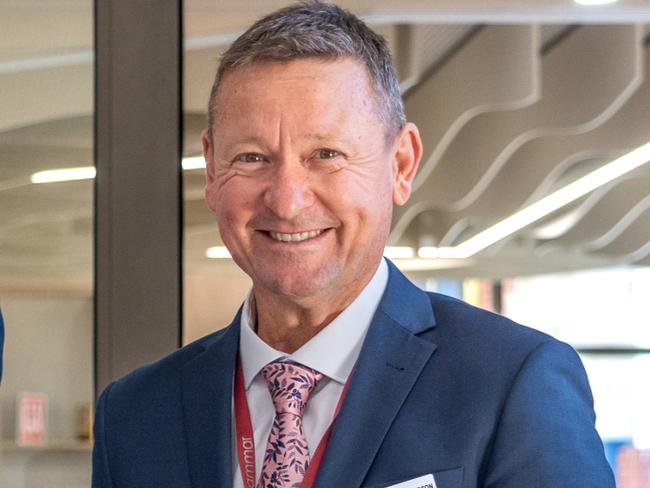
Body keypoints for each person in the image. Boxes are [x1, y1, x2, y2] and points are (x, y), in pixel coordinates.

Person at [92, 2, 615, 487]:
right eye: (252, 158)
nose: (288, 200)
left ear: (401, 164)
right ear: (211, 169)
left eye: (325, 153)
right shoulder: (135, 414)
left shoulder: (511, 383)